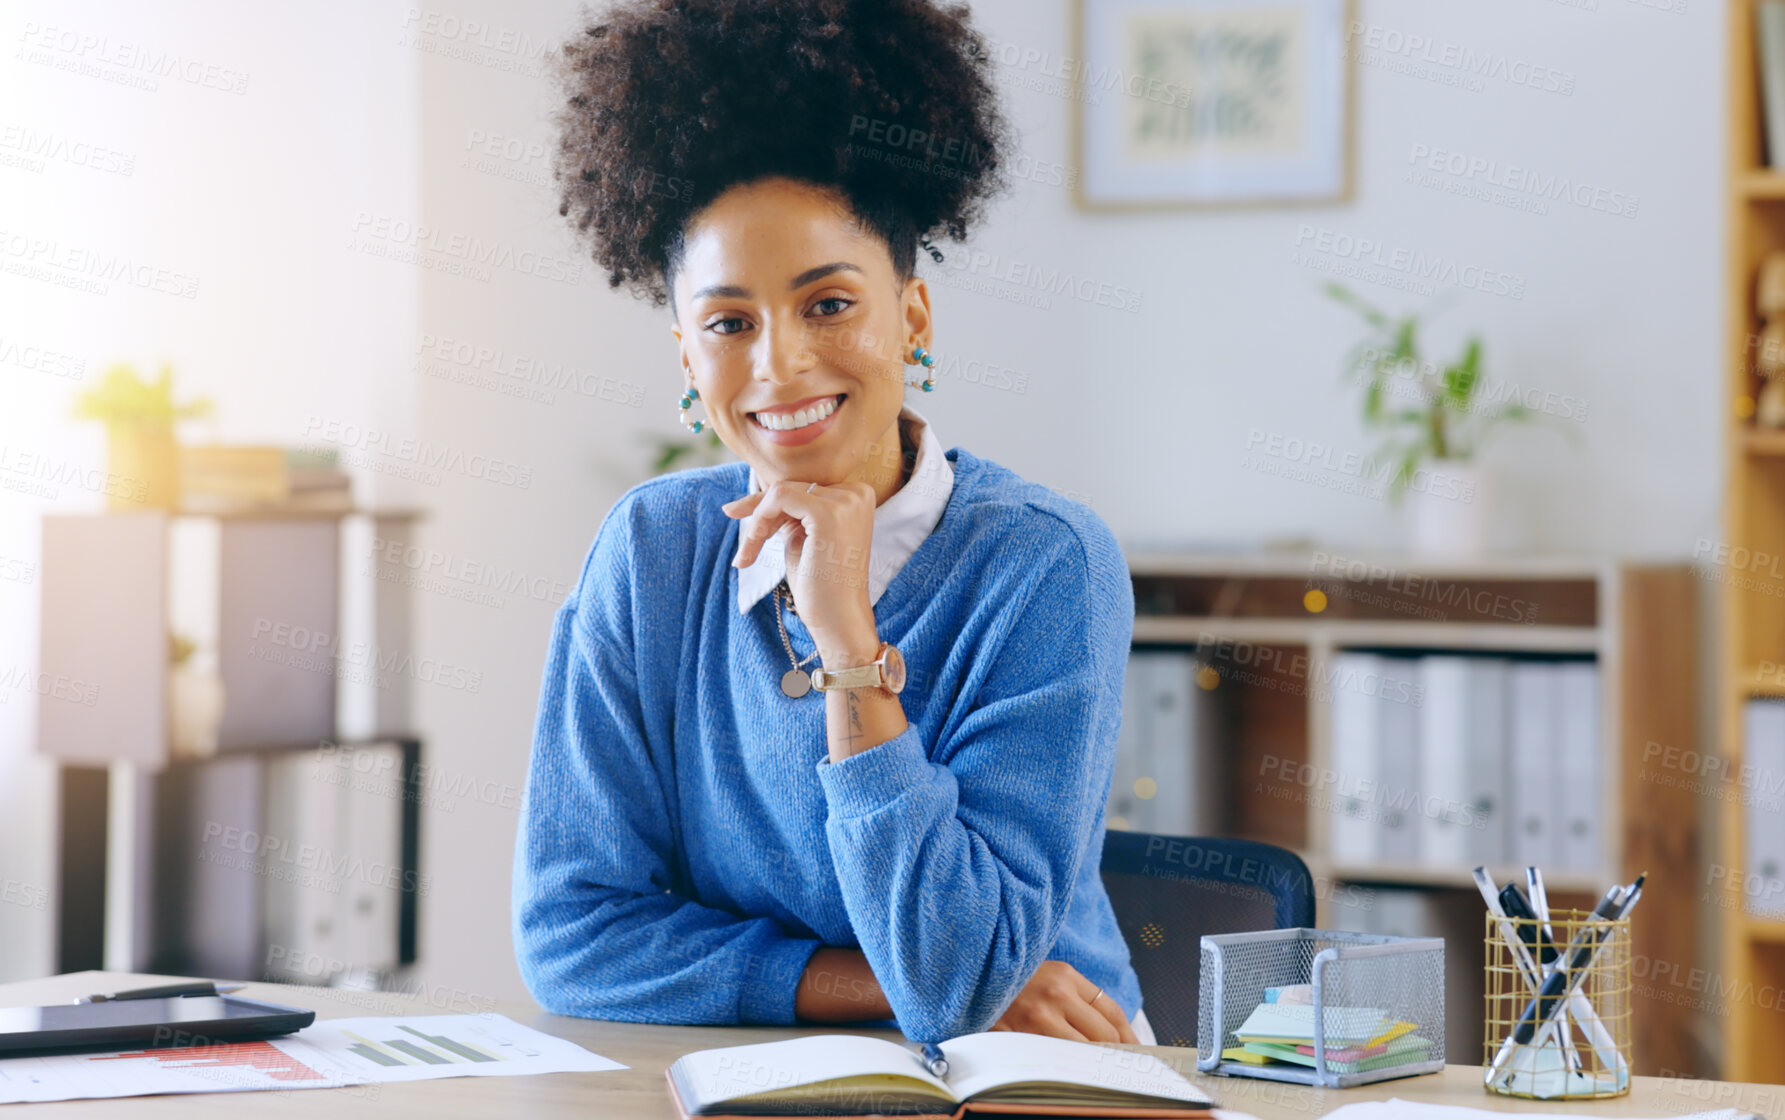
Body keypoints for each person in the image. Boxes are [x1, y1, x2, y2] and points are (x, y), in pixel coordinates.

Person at [512, 0, 1154, 1047]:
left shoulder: (1045, 564)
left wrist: (850, 646)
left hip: (1041, 1080)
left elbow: (953, 975)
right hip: (761, 1085)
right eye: (729, 323)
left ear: (911, 315)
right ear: (687, 359)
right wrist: (869, 984)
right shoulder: (651, 553)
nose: (780, 364)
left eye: (828, 304)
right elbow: (571, 936)